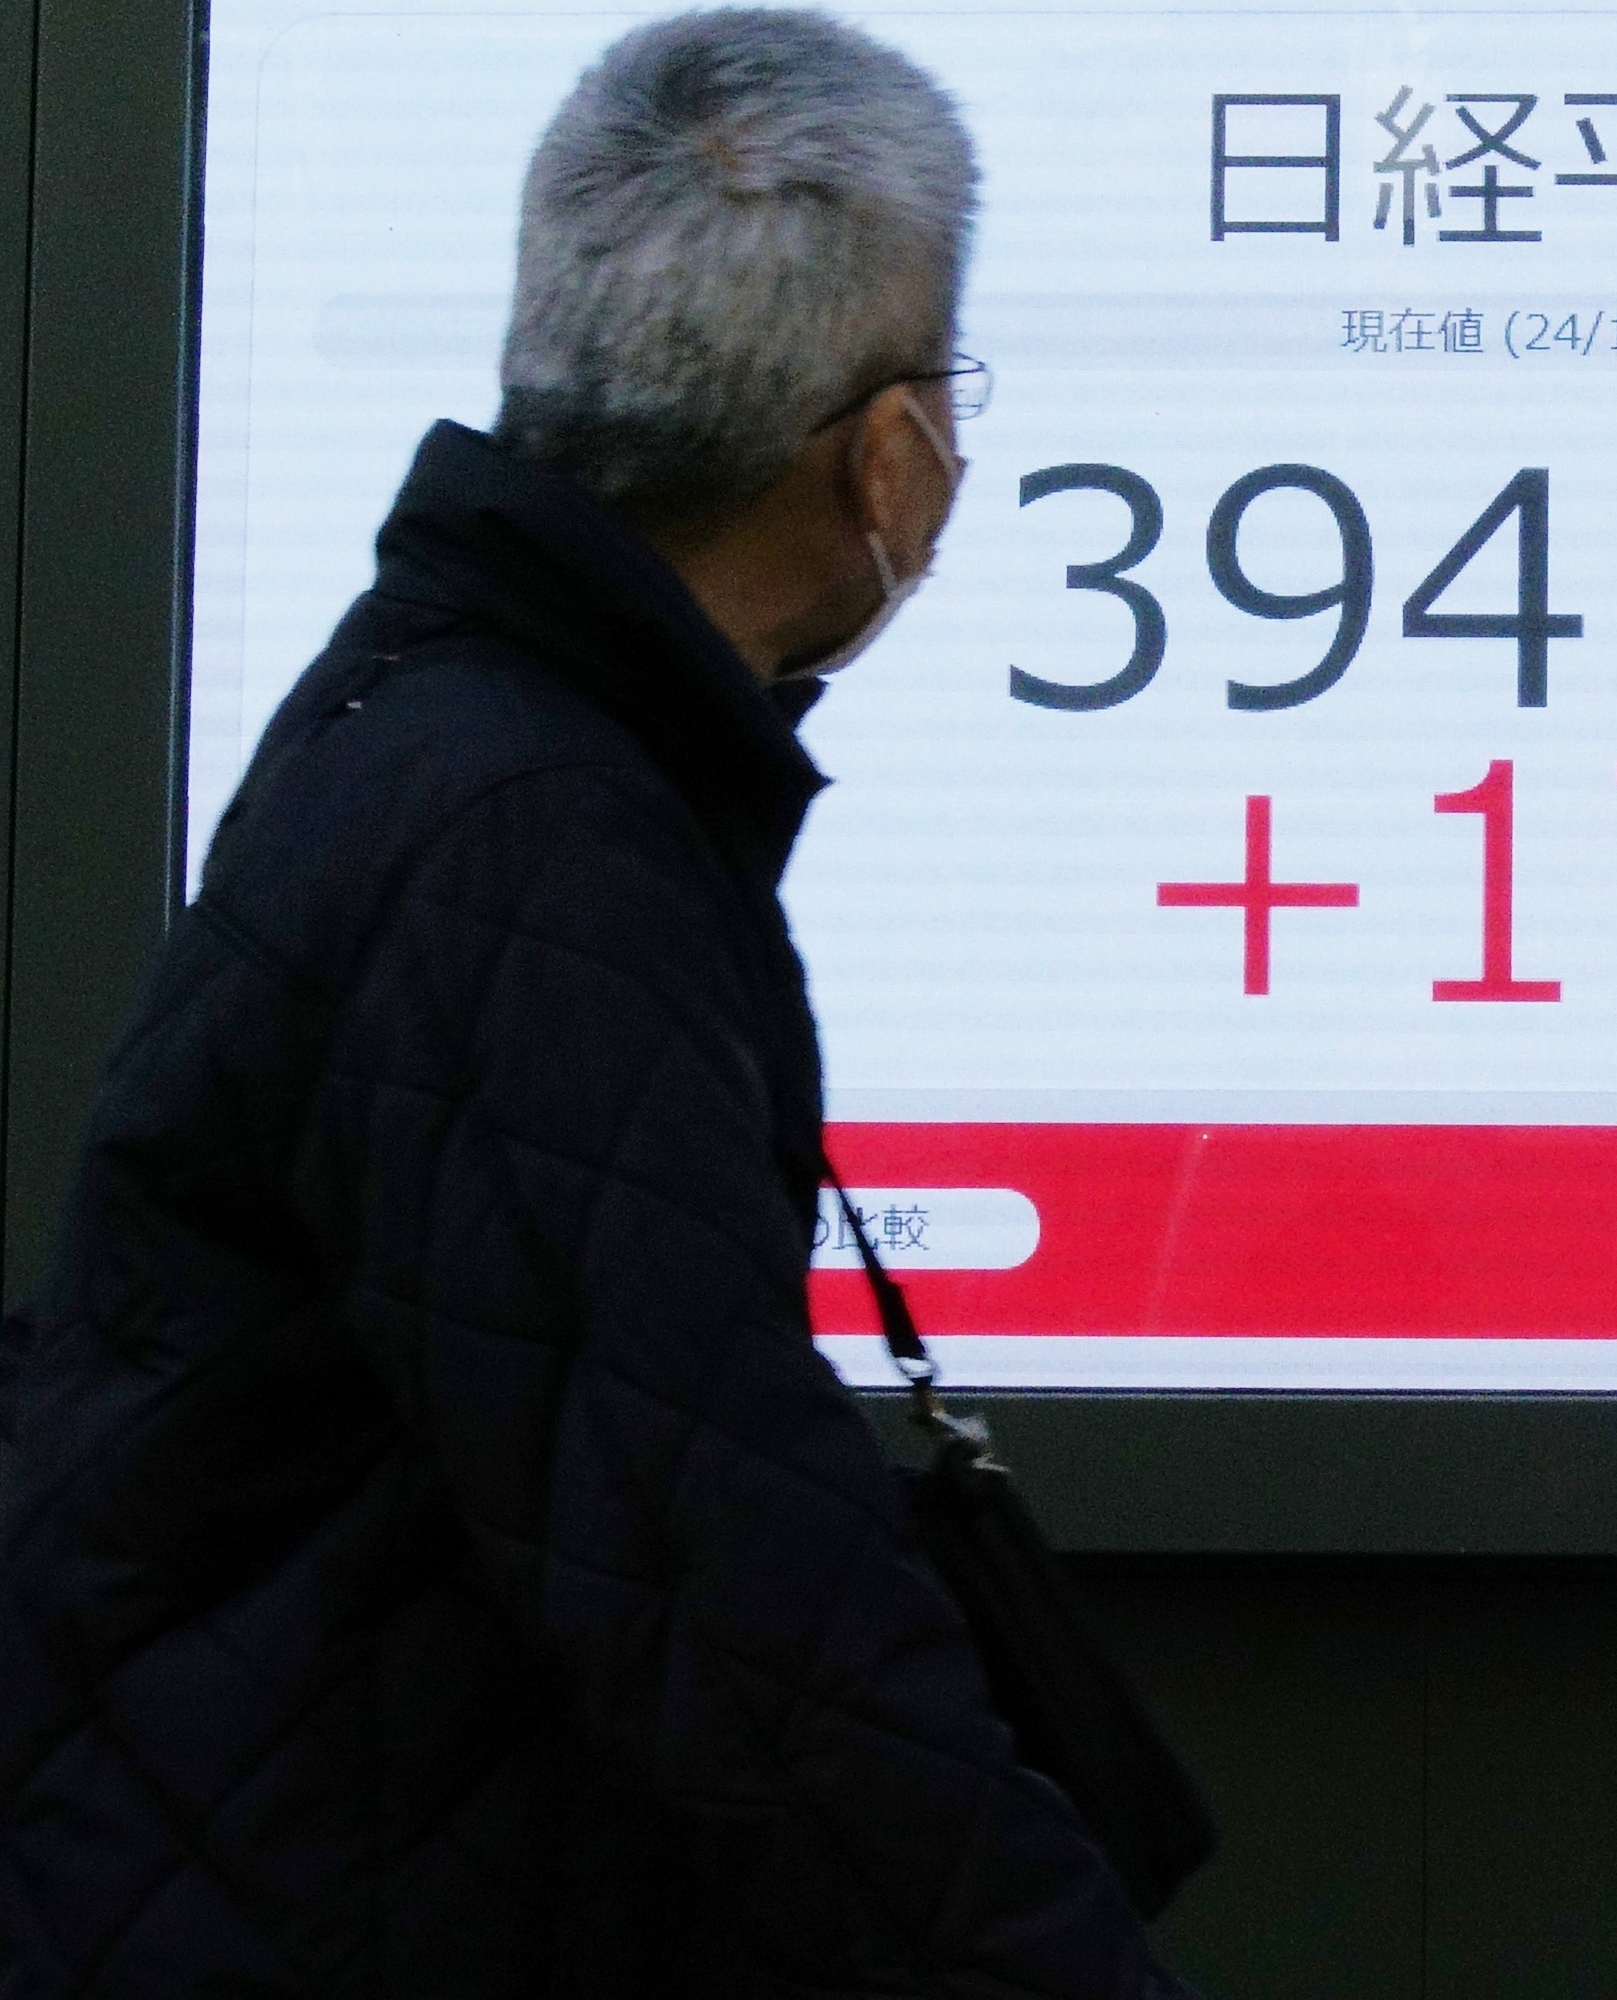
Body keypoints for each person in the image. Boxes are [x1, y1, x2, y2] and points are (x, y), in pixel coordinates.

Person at [0, 13, 1197, 1997]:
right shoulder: (532, 842)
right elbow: (738, 1595)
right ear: (885, 457)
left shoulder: (472, 715)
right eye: (953, 388)